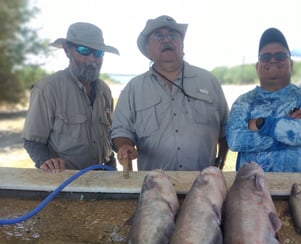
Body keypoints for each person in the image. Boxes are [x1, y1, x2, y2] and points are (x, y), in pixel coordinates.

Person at [111, 15, 229, 171]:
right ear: (147, 50)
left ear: (182, 44)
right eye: (159, 36)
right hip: (154, 186)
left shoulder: (209, 81)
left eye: (173, 35)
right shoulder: (133, 88)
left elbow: (226, 129)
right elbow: (121, 130)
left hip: (204, 184)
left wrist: (220, 162)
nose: (167, 40)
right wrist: (124, 145)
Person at [22, 22, 119, 173]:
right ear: (68, 51)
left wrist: (115, 161)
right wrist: (45, 161)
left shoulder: (105, 91)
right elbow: (32, 141)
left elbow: (107, 138)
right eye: (84, 50)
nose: (92, 59)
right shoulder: (47, 89)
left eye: (98, 53)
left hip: (104, 175)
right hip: (65, 181)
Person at [226, 28, 301, 172]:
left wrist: (261, 123)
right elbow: (235, 140)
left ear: (291, 64)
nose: (272, 60)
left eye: (280, 56)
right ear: (258, 66)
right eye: (265, 57)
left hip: (297, 189)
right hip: (250, 190)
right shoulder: (244, 102)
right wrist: (288, 130)